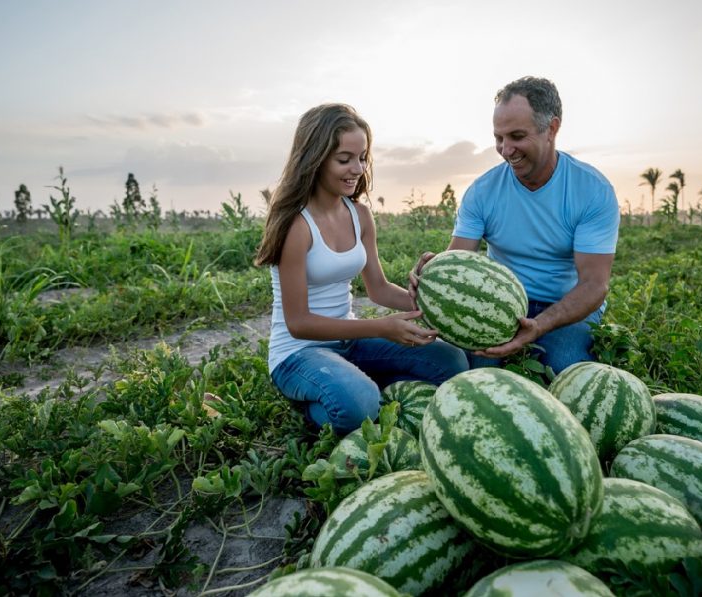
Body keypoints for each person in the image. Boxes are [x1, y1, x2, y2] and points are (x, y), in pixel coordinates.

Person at [255, 103, 468, 435]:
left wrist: (431, 300)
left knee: (451, 361)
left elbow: (378, 288)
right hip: (297, 355)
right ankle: (334, 400)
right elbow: (298, 323)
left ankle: (353, 384)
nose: (357, 168)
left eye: (363, 157)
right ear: (315, 158)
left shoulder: (359, 216)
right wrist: (381, 327)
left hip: (347, 343)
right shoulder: (296, 225)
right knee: (360, 404)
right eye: (344, 159)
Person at [411, 76, 620, 374]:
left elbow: (594, 284)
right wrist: (431, 273)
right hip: (499, 304)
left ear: (552, 128)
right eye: (499, 138)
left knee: (563, 370)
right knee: (473, 372)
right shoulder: (483, 191)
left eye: (517, 136)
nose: (506, 149)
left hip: (566, 305)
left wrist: (540, 325)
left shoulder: (592, 190)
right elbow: (457, 260)